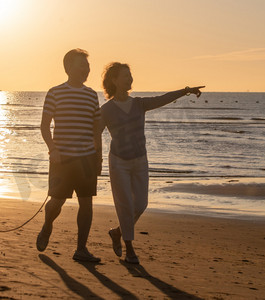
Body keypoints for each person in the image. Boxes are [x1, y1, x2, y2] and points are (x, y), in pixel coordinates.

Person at [100, 62, 204, 264]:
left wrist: (186, 91)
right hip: (118, 161)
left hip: (140, 159)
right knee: (125, 205)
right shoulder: (107, 109)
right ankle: (130, 249)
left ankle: (117, 232)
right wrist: (94, 158)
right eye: (125, 76)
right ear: (114, 80)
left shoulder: (139, 104)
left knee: (141, 203)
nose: (130, 79)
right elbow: (95, 133)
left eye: (131, 75)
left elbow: (162, 99)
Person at [37, 49, 102, 262]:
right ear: (69, 68)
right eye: (81, 65)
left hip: (86, 159)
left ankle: (81, 249)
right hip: (61, 159)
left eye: (88, 66)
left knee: (86, 203)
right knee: (56, 202)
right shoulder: (55, 92)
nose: (86, 70)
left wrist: (98, 157)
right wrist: (52, 149)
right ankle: (47, 226)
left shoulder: (92, 95)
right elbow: (45, 125)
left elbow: (96, 129)